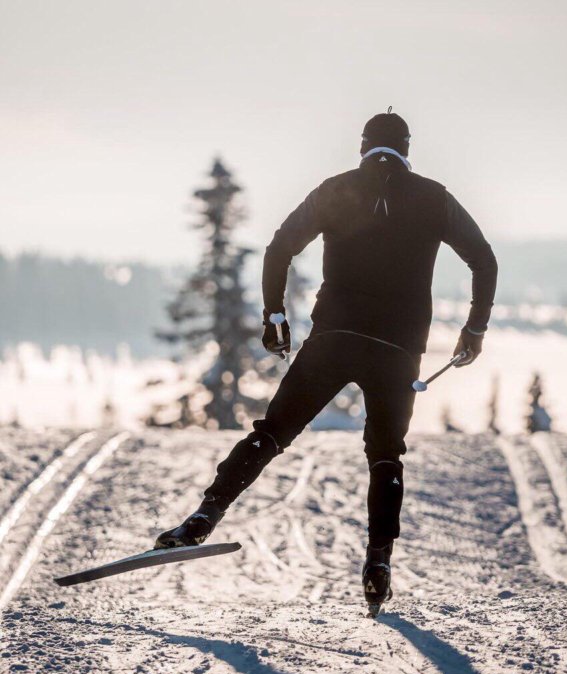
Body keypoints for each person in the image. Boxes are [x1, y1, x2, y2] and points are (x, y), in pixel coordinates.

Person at [155, 108, 498, 613]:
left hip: (334, 337)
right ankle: (378, 562)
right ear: (407, 150)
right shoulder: (434, 198)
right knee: (386, 456)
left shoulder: (335, 190)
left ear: (363, 147)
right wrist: (475, 329)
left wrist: (275, 316)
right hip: (397, 349)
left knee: (270, 433)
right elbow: (484, 260)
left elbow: (279, 248)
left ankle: (203, 518)